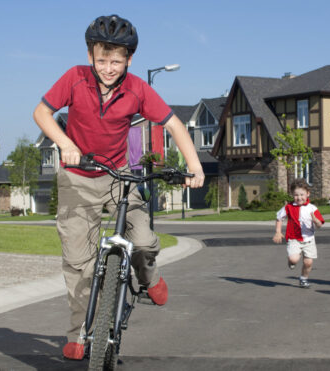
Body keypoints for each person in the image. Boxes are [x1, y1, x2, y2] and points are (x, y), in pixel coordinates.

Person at [33, 14, 205, 360]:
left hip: (118, 176)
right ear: (90, 56)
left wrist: (194, 165)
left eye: (116, 60)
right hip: (76, 177)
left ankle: (150, 277)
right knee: (79, 263)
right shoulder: (74, 78)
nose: (108, 68)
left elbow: (173, 125)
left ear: (129, 59)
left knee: (143, 240)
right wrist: (65, 143)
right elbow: (41, 113)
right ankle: (79, 334)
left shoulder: (138, 88)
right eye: (101, 60)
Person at [272, 178, 325, 288]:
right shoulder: (289, 207)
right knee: (294, 259)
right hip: (294, 238)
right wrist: (278, 232)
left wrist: (316, 221)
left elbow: (320, 224)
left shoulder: (312, 208)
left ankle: (304, 278)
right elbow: (279, 218)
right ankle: (291, 260)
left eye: (302, 194)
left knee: (308, 262)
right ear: (292, 195)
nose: (299, 197)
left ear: (308, 194)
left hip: (309, 239)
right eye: (296, 195)